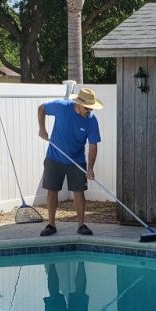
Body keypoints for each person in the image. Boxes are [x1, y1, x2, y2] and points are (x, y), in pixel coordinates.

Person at [37, 86, 102, 236]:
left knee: (79, 192)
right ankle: (51, 224)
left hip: (77, 161)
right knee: (52, 190)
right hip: (54, 157)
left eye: (91, 108)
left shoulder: (91, 120)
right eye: (87, 108)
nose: (89, 111)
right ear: (79, 103)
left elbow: (93, 146)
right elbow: (41, 109)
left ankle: (81, 225)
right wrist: (42, 129)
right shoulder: (62, 107)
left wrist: (90, 168)